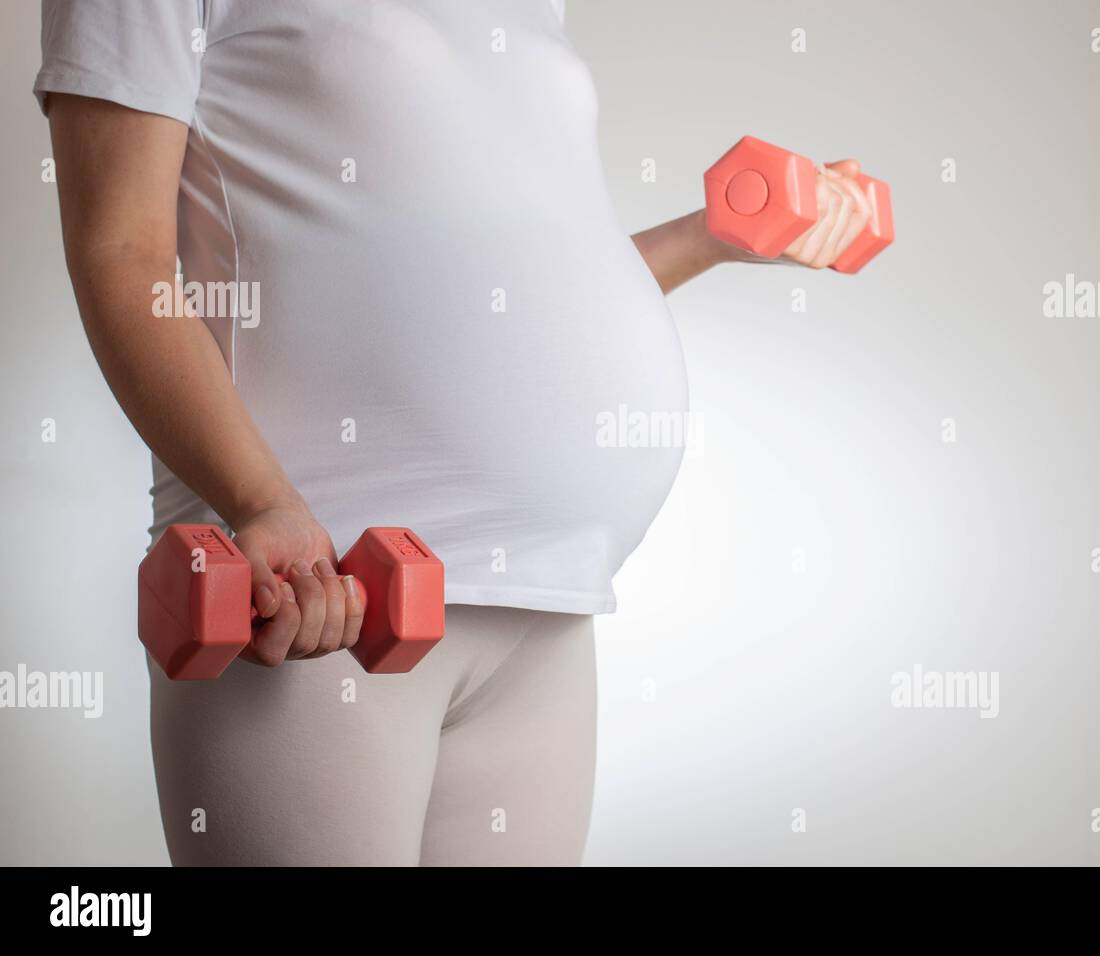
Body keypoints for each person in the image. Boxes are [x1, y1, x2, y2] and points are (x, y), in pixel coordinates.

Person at [36, 0, 873, 865]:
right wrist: (261, 499)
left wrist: (715, 238)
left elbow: (518, 284)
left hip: (546, 609)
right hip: (324, 597)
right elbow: (118, 253)